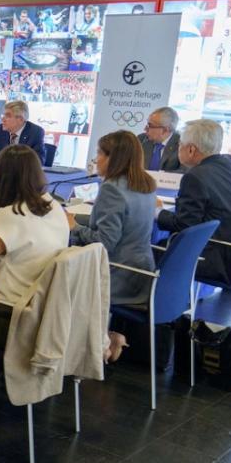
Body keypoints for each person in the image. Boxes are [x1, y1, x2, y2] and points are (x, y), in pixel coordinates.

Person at [0, 145, 69, 348]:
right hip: (41, 315)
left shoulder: (11, 215)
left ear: (1, 177)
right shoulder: (53, 206)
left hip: (5, 319)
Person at [69, 131, 157, 361]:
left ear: (113, 158)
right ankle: (109, 336)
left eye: (99, 153)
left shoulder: (112, 189)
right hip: (141, 272)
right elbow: (116, 223)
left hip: (117, 274)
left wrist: (73, 228)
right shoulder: (145, 184)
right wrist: (75, 219)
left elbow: (104, 242)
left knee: (57, 279)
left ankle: (87, 347)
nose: (96, 159)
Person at [157, 119, 231, 286]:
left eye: (179, 144)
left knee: (151, 251)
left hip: (215, 260)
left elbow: (184, 226)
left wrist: (156, 212)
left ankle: (157, 308)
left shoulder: (195, 177)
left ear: (191, 149)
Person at [138, 106, 183, 172]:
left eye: (150, 125)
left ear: (165, 130)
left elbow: (183, 172)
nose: (145, 129)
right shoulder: (141, 139)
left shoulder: (182, 145)